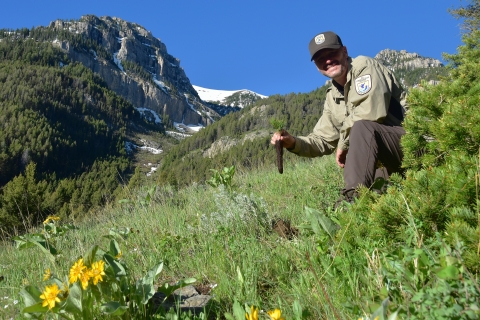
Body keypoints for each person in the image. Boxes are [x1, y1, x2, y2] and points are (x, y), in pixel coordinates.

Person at [271, 31, 407, 206]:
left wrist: (343, 143)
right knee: (378, 199)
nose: (328, 61)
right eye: (321, 59)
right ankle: (353, 214)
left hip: (412, 146)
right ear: (317, 67)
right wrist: (293, 142)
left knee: (362, 128)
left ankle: (350, 201)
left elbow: (370, 113)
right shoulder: (332, 96)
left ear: (345, 51)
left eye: (332, 53)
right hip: (387, 164)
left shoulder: (364, 66)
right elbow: (322, 139)